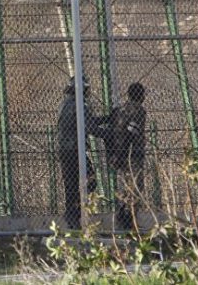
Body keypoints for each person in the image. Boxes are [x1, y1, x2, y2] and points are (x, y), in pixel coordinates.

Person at [102, 82, 147, 230]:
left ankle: (123, 217)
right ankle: (128, 220)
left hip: (120, 153)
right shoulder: (138, 111)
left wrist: (117, 154)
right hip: (133, 155)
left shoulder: (120, 110)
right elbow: (131, 132)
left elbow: (113, 131)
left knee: (128, 187)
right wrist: (125, 152)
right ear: (140, 95)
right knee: (136, 187)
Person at [57, 76, 100, 230]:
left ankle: (72, 216)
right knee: (91, 181)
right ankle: (75, 212)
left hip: (64, 149)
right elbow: (91, 127)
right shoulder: (80, 105)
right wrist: (109, 133)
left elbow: (88, 122)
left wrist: (107, 119)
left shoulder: (65, 104)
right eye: (86, 89)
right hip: (75, 149)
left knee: (70, 184)